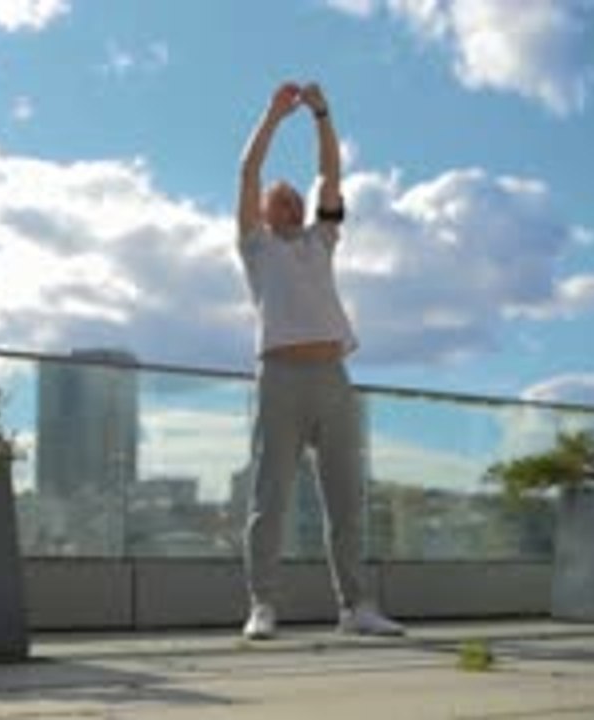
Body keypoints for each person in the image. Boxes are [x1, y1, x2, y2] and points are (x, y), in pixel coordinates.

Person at [236, 81, 404, 640]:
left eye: (293, 198)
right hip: (280, 377)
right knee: (270, 498)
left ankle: (356, 607)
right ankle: (262, 604)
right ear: (263, 211)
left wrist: (321, 115)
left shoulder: (321, 240)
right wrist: (273, 114)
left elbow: (332, 173)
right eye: (277, 198)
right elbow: (247, 172)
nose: (287, 202)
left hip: (332, 377)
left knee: (346, 500)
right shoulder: (255, 248)